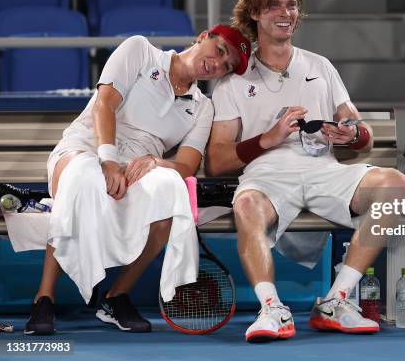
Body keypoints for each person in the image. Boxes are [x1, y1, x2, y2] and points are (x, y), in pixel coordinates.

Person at [207, 0, 405, 343]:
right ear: (253, 12)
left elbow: (361, 137)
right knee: (247, 205)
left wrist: (348, 133)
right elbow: (218, 160)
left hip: (324, 169)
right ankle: (271, 309)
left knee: (396, 184)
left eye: (292, 5)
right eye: (274, 5)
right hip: (266, 176)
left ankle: (336, 300)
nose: (286, 13)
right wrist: (267, 139)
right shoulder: (232, 80)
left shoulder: (320, 66)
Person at [24, 25, 251, 335]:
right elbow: (106, 103)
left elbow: (185, 166)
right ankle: (44, 297)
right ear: (203, 36)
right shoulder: (139, 50)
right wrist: (108, 161)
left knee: (171, 190)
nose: (218, 64)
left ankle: (116, 297)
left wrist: (155, 161)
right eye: (221, 50)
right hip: (86, 148)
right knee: (81, 179)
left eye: (227, 66)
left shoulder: (202, 107)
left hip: (136, 170)